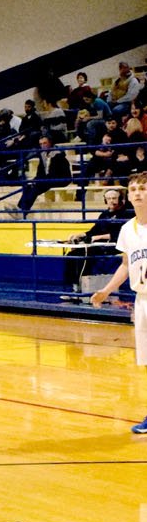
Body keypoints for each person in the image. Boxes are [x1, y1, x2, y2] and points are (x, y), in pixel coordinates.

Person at [91, 172, 147, 434]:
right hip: (142, 299)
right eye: (133, 189)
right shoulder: (128, 229)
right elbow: (126, 266)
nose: (137, 193)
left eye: (143, 188)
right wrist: (105, 291)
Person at [63, 188, 132, 291]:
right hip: (99, 245)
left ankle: (83, 287)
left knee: (85, 255)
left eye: (114, 198)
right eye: (108, 199)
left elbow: (121, 234)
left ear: (120, 199)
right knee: (72, 255)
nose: (111, 201)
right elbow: (94, 230)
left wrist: (97, 237)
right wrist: (80, 235)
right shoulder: (104, 215)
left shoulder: (127, 214)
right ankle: (75, 286)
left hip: (115, 245)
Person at [15, 135, 71, 215]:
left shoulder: (58, 155)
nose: (42, 146)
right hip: (48, 178)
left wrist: (40, 181)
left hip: (61, 178)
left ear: (50, 143)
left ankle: (24, 211)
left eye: (45, 143)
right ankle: (19, 208)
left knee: (36, 188)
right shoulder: (43, 154)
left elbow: (55, 173)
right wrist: (36, 179)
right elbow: (41, 170)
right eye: (40, 144)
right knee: (29, 185)